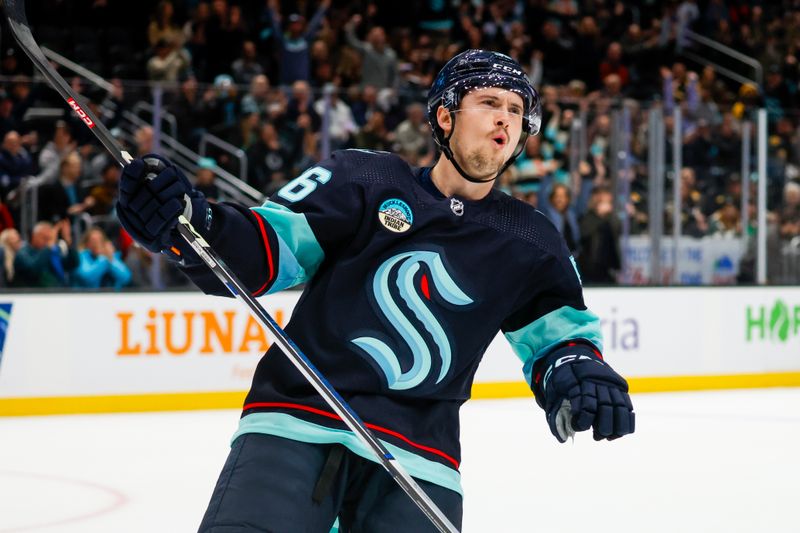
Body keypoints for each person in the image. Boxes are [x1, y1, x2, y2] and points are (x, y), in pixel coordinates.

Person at [116, 50, 634, 532]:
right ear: (446, 117)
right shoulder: (363, 179)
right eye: (489, 102)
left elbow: (559, 336)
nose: (505, 118)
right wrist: (194, 224)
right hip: (296, 426)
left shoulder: (531, 239)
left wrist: (577, 372)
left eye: (517, 111)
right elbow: (267, 248)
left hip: (421, 460)